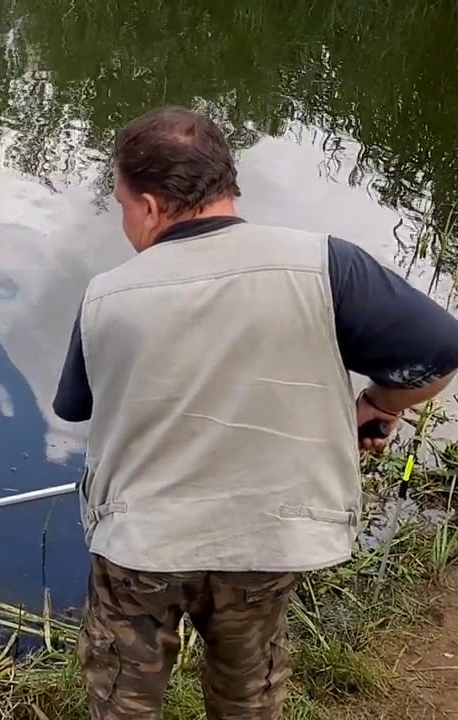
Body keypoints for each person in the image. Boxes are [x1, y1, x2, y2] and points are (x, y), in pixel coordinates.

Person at [51, 105, 458, 720]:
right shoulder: (327, 264)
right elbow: (440, 353)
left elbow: (76, 407)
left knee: (123, 695)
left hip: (141, 543)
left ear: (152, 207)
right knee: (248, 689)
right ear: (226, 187)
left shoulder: (108, 294)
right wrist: (376, 403)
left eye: (122, 204)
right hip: (265, 537)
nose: (126, 221)